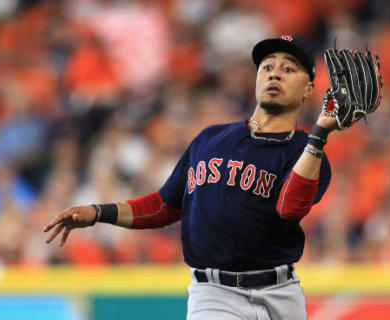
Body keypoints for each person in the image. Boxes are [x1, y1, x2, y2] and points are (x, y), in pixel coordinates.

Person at [44, 35, 338, 320]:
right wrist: (97, 212)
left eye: (288, 69)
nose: (275, 74)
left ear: (309, 88)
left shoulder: (308, 154)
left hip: (282, 296)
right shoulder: (210, 139)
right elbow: (163, 206)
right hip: (216, 295)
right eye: (267, 67)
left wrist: (320, 133)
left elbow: (290, 207)